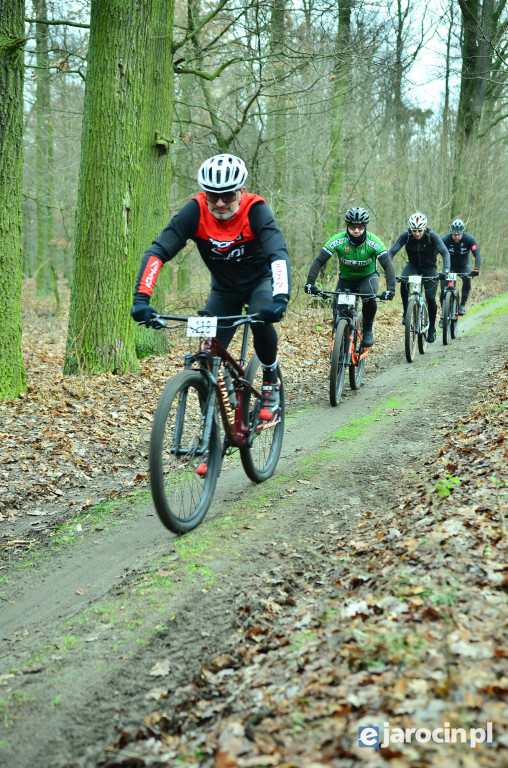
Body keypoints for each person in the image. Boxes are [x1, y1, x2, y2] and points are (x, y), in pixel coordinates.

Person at [130, 153, 291, 421]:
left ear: (241, 191)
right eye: (212, 195)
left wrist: (280, 298)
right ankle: (212, 433)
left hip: (260, 285)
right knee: (207, 355)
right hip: (224, 291)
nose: (219, 203)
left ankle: (271, 378)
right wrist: (141, 299)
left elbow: (278, 253)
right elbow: (159, 251)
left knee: (262, 321)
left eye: (227, 195)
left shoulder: (256, 210)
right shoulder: (195, 211)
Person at [304, 207, 396, 348]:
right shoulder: (338, 240)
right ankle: (340, 340)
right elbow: (319, 261)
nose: (357, 230)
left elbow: (388, 266)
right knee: (338, 313)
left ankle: (367, 330)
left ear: (365, 227)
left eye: (360, 227)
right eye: (353, 227)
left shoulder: (374, 242)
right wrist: (310, 283)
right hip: (346, 279)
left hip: (368, 277)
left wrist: (391, 289)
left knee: (368, 296)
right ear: (347, 226)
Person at [388, 211, 450, 343]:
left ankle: (432, 328)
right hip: (413, 265)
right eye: (414, 230)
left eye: (419, 230)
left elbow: (444, 251)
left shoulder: (431, 235)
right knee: (403, 280)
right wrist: (388, 268)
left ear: (425, 227)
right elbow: (392, 251)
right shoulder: (406, 235)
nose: (416, 233)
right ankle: (406, 312)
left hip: (430, 267)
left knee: (430, 298)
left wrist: (446, 270)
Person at [439, 219, 481, 324]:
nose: (456, 237)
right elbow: (434, 253)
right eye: (454, 234)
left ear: (462, 233)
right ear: (451, 233)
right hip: (449, 266)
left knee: (467, 279)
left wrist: (476, 269)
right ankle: (443, 313)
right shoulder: (445, 239)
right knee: (443, 287)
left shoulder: (469, 239)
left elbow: (477, 254)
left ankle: (462, 305)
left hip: (463, 265)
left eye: (458, 235)